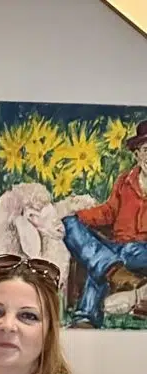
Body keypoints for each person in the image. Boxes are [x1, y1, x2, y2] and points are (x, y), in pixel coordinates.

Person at [63, 120, 147, 328]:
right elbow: (108, 212)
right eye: (146, 150)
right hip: (118, 247)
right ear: (137, 154)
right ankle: (113, 272)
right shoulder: (124, 181)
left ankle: (86, 316)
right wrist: (77, 214)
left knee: (101, 263)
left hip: (143, 251)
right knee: (69, 223)